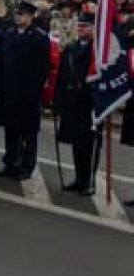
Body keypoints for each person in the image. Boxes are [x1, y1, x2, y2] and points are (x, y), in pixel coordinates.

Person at [0, 0, 51, 180]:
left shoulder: (39, 36)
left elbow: (42, 67)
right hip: (9, 91)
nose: (18, 17)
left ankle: (27, 166)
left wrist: (34, 91)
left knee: (28, 132)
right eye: (17, 14)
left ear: (30, 16)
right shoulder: (10, 33)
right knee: (11, 130)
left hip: (28, 93)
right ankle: (11, 162)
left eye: (22, 14)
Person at [52, 11, 99, 195]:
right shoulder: (71, 48)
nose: (81, 29)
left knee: (88, 144)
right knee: (75, 142)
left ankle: (87, 180)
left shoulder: (97, 51)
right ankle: (79, 178)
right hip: (72, 101)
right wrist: (57, 99)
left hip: (88, 102)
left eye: (85, 26)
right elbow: (62, 77)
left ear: (94, 28)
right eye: (79, 25)